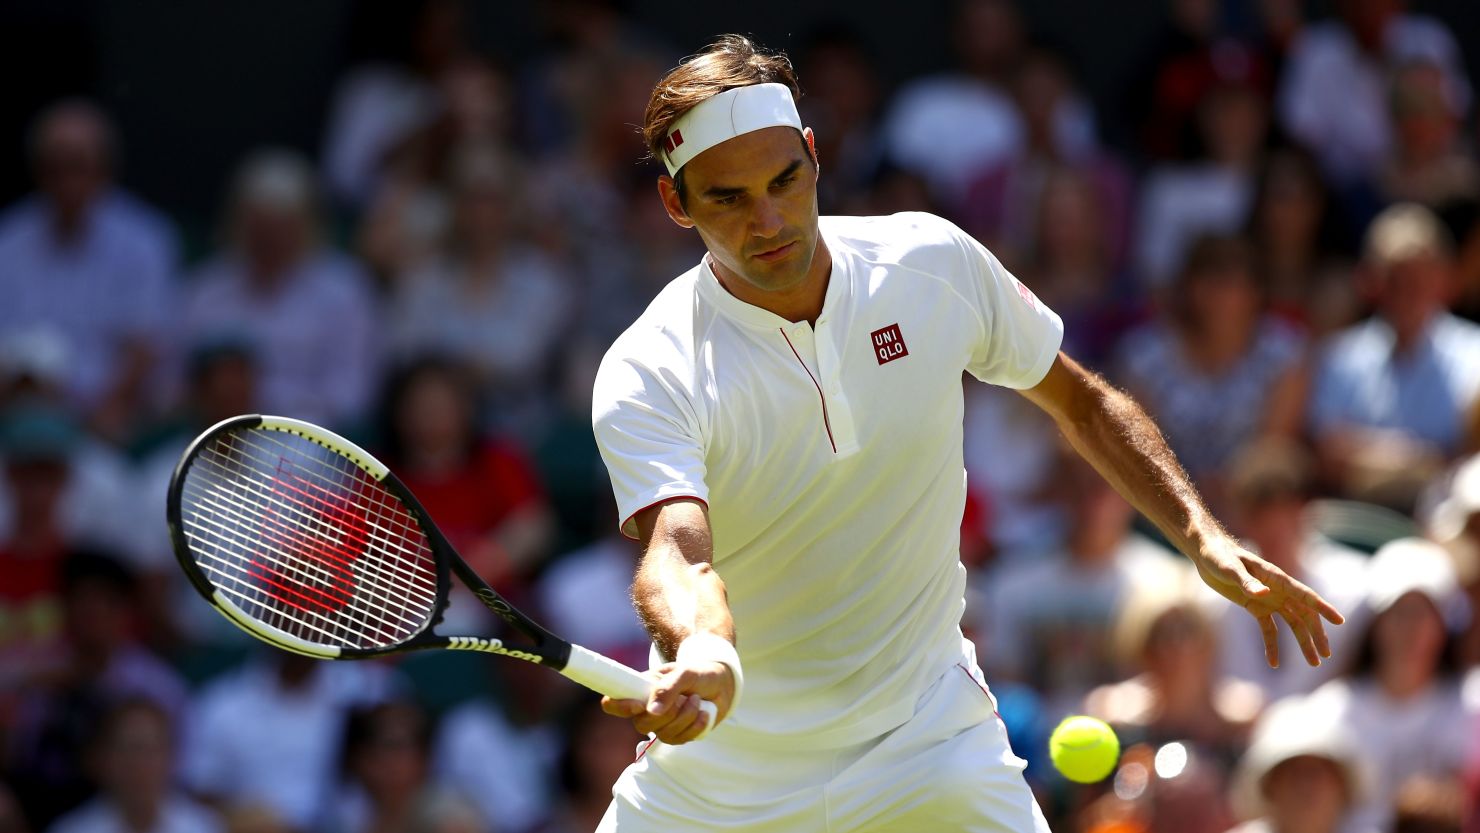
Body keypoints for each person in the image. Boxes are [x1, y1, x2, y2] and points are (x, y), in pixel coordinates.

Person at [589, 35, 1343, 832]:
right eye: (727, 199)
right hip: (723, 776)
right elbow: (677, 547)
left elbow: (1082, 404)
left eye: (786, 180)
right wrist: (703, 643)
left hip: (929, 742)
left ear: (815, 155)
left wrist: (1201, 535)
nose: (769, 220)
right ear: (677, 204)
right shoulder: (651, 365)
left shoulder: (931, 264)